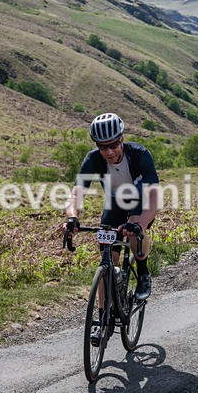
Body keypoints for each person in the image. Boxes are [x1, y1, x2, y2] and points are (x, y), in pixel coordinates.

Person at [64, 113, 161, 302]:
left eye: (113, 145)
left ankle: (143, 273)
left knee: (133, 227)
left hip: (140, 202)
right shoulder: (93, 160)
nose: (108, 152)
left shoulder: (140, 155)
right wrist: (72, 217)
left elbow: (155, 199)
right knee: (107, 260)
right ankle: (101, 321)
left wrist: (140, 223)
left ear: (122, 139)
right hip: (115, 204)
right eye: (102, 147)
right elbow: (76, 193)